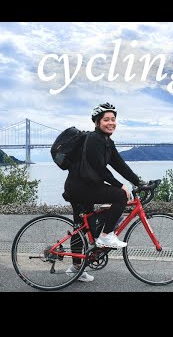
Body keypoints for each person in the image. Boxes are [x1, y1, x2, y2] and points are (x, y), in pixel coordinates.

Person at [63, 102, 141, 282]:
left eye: (113, 119)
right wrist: (120, 185)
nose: (111, 122)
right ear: (97, 122)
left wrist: (139, 182)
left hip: (82, 186)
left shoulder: (106, 141)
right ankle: (106, 236)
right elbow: (99, 168)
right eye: (106, 119)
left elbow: (119, 164)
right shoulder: (93, 139)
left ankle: (76, 268)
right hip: (80, 187)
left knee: (81, 228)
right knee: (120, 195)